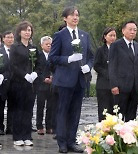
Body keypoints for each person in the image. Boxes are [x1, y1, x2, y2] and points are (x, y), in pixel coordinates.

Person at [48, 6, 94, 153]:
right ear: (65, 18)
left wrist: (88, 66)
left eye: (77, 15)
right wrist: (68, 59)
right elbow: (52, 58)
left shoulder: (84, 35)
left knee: (75, 112)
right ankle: (62, 143)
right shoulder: (59, 35)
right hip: (64, 81)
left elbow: (91, 56)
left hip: (80, 80)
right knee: (62, 112)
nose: (75, 17)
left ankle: (71, 141)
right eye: (72, 15)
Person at [9, 21, 40, 146]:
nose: (28, 32)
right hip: (18, 83)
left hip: (31, 84)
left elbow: (40, 64)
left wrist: (35, 74)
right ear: (20, 32)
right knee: (18, 110)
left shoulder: (34, 48)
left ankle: (27, 136)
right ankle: (17, 136)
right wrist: (24, 75)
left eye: (29, 30)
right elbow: (13, 65)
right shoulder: (15, 47)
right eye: (25, 30)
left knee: (28, 110)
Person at [109, 21, 138, 122]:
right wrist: (114, 85)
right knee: (119, 116)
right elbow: (112, 66)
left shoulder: (137, 46)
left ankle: (130, 136)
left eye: (135, 30)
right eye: (130, 29)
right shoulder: (116, 45)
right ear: (123, 30)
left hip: (135, 87)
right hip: (121, 87)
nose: (133, 32)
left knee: (131, 116)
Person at [94, 27, 117, 122]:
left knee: (115, 110)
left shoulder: (118, 49)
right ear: (105, 37)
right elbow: (96, 65)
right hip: (103, 85)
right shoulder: (100, 50)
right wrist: (107, 74)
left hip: (116, 84)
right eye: (110, 35)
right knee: (104, 110)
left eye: (114, 36)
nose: (112, 38)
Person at [36, 36, 53, 135]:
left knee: (51, 107)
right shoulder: (38, 55)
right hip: (41, 85)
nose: (48, 46)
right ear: (41, 45)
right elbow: (37, 69)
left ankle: (49, 126)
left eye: (50, 44)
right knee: (40, 106)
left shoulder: (54, 55)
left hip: (52, 85)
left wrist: (52, 77)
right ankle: (39, 126)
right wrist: (43, 79)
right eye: (46, 44)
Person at [0, 31, 14, 135]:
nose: (10, 39)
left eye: (12, 37)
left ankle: (10, 127)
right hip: (2, 82)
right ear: (3, 39)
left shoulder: (16, 51)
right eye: (8, 37)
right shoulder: (0, 51)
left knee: (12, 106)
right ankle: (0, 127)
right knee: (1, 105)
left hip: (15, 82)